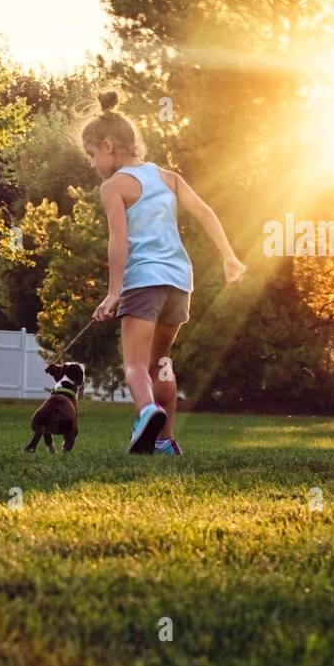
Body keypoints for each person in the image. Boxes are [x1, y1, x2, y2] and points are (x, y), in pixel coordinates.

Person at [84, 91, 246, 454]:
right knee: (162, 364)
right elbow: (205, 213)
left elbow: (118, 242)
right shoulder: (168, 177)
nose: (93, 163)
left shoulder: (113, 187)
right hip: (179, 281)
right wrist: (229, 257)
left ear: (108, 146)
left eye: (92, 155)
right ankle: (165, 440)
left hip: (144, 281)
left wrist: (113, 293)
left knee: (135, 366)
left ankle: (146, 415)